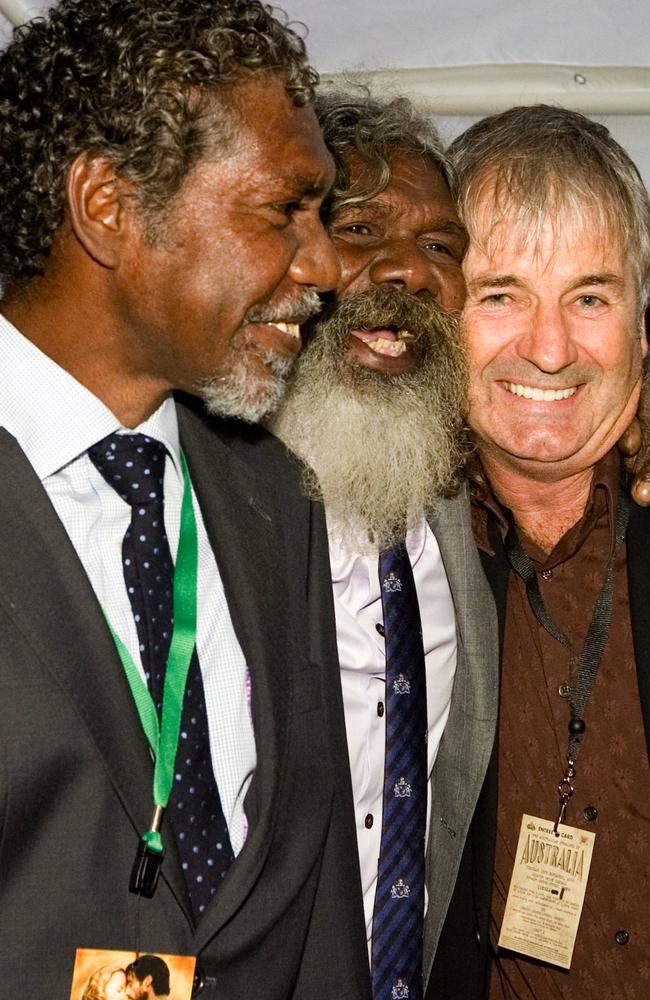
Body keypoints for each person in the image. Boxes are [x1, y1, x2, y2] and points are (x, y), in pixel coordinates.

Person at [0, 3, 372, 997]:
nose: (325, 268)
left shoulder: (271, 498)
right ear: (109, 206)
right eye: (283, 209)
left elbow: (314, 903)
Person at [270, 90, 499, 1000]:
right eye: (362, 230)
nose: (408, 271)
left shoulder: (473, 511)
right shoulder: (202, 499)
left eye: (441, 248)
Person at [430, 105, 650, 998]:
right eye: (501, 295)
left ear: (641, 323)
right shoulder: (370, 548)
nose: (550, 349)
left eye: (590, 297)